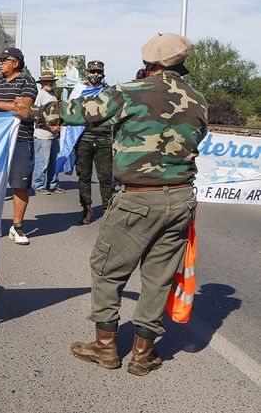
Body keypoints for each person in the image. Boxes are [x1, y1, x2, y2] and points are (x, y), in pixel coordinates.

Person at [16, 33, 208, 376]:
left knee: (107, 270)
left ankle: (105, 348)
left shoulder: (130, 91)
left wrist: (33, 113)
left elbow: (79, 111)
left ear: (149, 64)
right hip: (181, 199)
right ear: (181, 64)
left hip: (138, 197)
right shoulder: (198, 99)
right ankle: (143, 354)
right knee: (159, 278)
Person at [0, 47, 37, 245]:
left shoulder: (27, 81)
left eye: (4, 60)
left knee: (20, 186)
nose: (0, 63)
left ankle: (17, 227)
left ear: (16, 63)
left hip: (20, 140)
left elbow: (24, 109)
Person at [74, 60, 113, 224]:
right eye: (92, 72)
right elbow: (71, 110)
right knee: (84, 177)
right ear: (87, 73)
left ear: (103, 74)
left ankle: (108, 210)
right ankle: (87, 209)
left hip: (104, 139)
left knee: (105, 178)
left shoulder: (109, 92)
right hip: (84, 138)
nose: (95, 75)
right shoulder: (79, 90)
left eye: (98, 72)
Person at [31, 73, 63, 194]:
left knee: (53, 161)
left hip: (53, 134)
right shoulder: (40, 94)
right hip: (42, 133)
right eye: (46, 81)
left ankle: (52, 184)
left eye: (51, 81)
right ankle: (38, 185)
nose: (49, 83)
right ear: (42, 83)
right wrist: (50, 127)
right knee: (42, 161)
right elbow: (35, 114)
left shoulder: (51, 95)